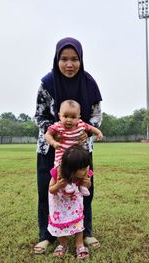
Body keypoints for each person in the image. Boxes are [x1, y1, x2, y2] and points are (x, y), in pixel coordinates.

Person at [34, 37, 102, 254]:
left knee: (84, 187)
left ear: (81, 60)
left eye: (74, 59)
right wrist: (56, 131)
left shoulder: (89, 83)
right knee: (49, 191)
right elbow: (39, 115)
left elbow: (96, 115)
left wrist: (84, 133)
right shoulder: (47, 83)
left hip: (81, 151)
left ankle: (87, 231)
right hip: (51, 150)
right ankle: (48, 235)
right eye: (64, 59)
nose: (69, 64)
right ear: (57, 59)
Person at [44, 99, 103, 196]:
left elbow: (91, 128)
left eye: (73, 117)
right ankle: (68, 184)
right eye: (65, 116)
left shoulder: (81, 124)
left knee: (85, 168)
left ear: (79, 117)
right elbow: (47, 135)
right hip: (62, 157)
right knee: (61, 169)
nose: (69, 120)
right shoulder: (57, 126)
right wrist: (53, 143)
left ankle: (83, 186)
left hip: (77, 156)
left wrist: (98, 133)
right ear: (59, 115)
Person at [48, 145, 92, 259]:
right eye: (82, 169)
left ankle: (79, 244)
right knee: (60, 224)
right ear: (71, 169)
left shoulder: (85, 172)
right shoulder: (58, 172)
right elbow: (51, 190)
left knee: (78, 222)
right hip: (59, 203)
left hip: (74, 203)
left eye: (86, 167)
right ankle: (63, 244)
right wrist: (58, 185)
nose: (85, 170)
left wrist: (87, 182)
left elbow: (87, 186)